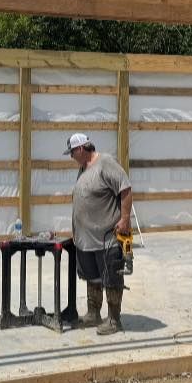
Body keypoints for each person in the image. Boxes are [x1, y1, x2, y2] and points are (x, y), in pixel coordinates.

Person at [65, 132, 133, 335]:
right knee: (92, 277)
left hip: (107, 238)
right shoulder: (83, 168)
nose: (70, 157)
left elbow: (125, 188)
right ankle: (93, 313)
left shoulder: (105, 163)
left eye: (71, 152)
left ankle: (114, 320)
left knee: (111, 278)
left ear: (80, 149)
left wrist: (125, 218)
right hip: (86, 240)